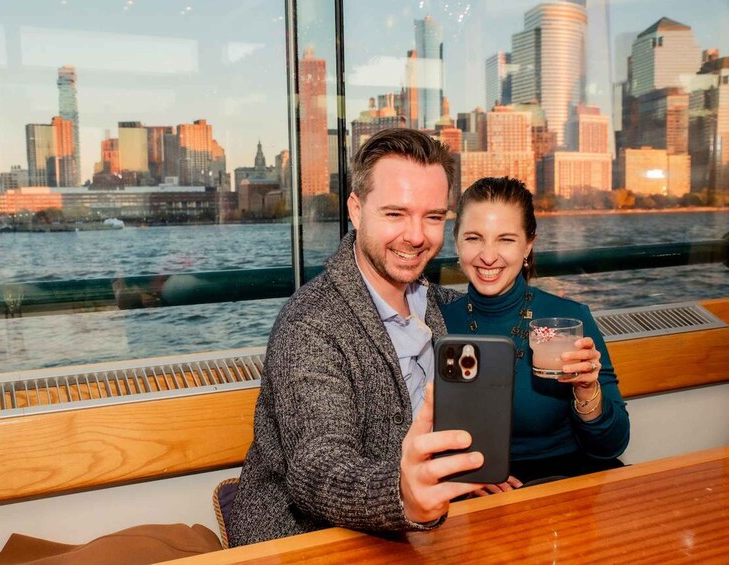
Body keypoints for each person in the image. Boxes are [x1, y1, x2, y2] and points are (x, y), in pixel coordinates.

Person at [228, 129, 485, 546]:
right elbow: (318, 466)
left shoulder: (444, 307)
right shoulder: (310, 324)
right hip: (301, 543)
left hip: (421, 533)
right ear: (356, 209)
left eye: (433, 216)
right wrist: (403, 495)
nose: (417, 236)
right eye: (395, 214)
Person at [440, 177, 630, 496]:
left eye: (505, 240)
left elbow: (612, 445)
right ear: (456, 242)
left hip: (567, 485)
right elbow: (424, 434)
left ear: (528, 245)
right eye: (474, 238)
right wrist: (466, 475)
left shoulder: (571, 320)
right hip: (474, 492)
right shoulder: (438, 323)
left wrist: (587, 391)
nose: (488, 256)